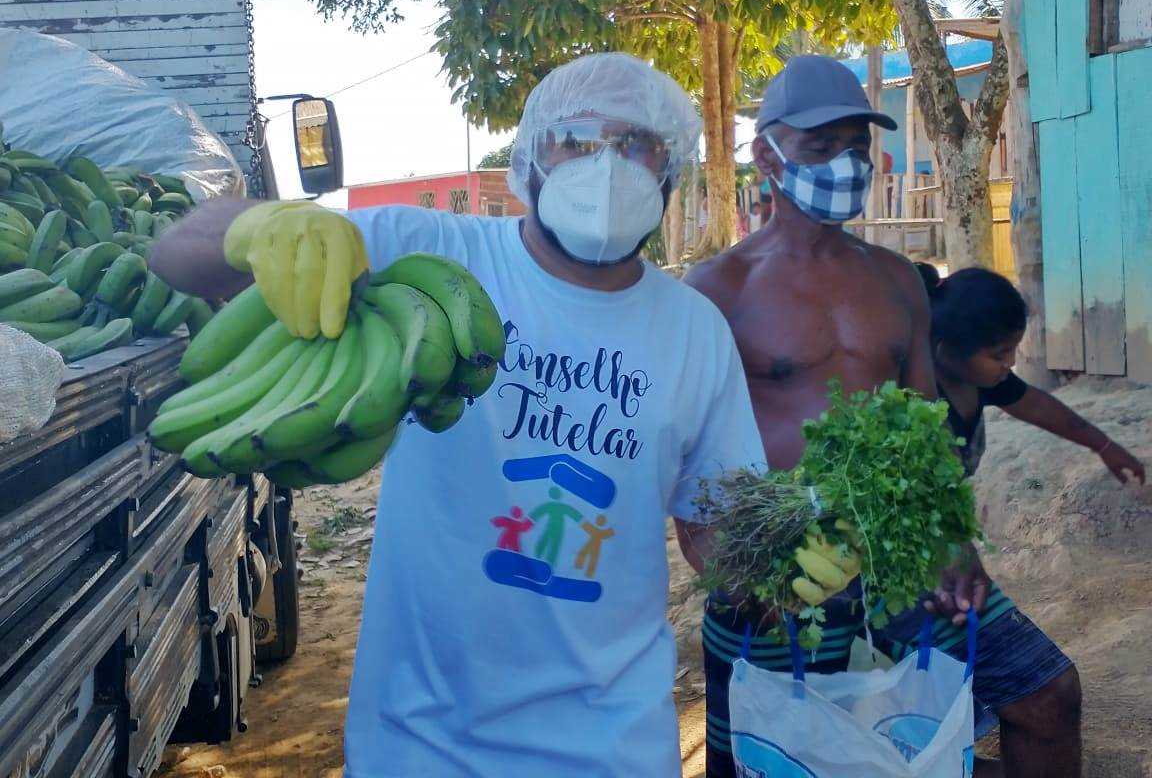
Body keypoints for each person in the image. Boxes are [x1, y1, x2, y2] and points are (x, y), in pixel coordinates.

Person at [149, 52, 765, 778]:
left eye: (636, 145)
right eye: (578, 141)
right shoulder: (427, 258)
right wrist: (259, 230)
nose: (606, 167)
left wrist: (781, 562)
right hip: (420, 738)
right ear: (532, 156)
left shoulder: (694, 329)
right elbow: (172, 254)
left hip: (613, 746)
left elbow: (715, 523)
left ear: (670, 169)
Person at [685, 54, 1083, 778]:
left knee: (1047, 694)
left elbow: (928, 434)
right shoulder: (715, 291)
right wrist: (730, 570)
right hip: (780, 581)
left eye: (858, 146)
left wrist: (955, 547)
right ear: (766, 155)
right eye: (821, 145)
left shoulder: (896, 279)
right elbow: (687, 461)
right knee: (762, 755)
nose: (846, 162)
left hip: (900, 566)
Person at [915, 264, 1146, 488]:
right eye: (999, 355)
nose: (1012, 362)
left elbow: (1037, 406)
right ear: (945, 351)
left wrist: (1104, 446)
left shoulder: (981, 379)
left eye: (1013, 349)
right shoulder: (914, 395)